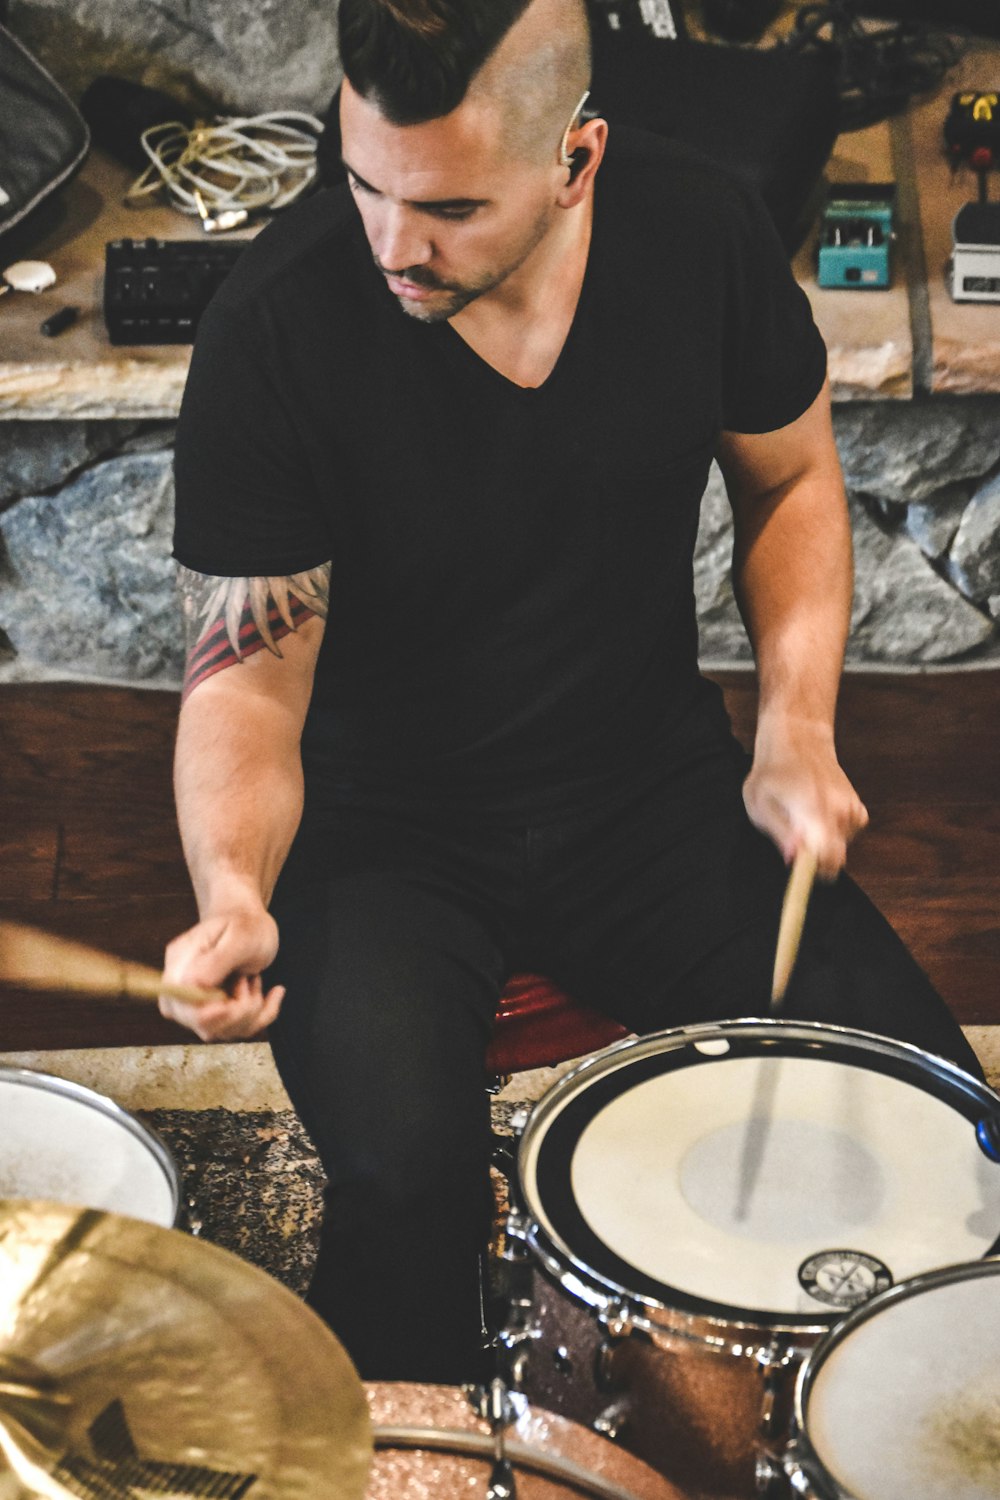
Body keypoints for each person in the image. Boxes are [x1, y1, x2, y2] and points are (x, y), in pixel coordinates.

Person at [162, 0, 982, 1385]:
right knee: (403, 1180)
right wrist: (235, 886)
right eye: (362, 183)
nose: (391, 246)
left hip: (647, 791)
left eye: (449, 206)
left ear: (577, 158)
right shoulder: (277, 324)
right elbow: (248, 680)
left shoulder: (700, 232)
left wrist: (795, 728)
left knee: (932, 1111)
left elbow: (788, 483)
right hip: (382, 839)